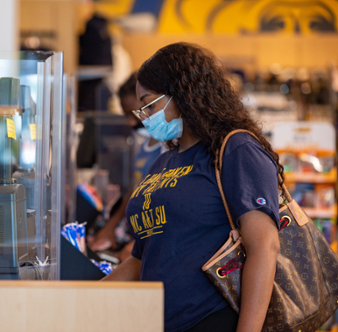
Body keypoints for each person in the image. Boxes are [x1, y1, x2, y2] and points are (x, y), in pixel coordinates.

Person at [103, 43, 282, 332]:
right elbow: (142, 258)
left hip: (212, 319)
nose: (144, 117)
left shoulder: (236, 149)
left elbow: (264, 246)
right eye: (140, 109)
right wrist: (83, 295)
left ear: (182, 95)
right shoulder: (162, 163)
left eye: (149, 104)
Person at [90, 73, 166, 262]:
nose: (132, 122)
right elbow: (136, 190)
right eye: (128, 115)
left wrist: (140, 246)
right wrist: (110, 227)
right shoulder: (143, 144)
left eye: (137, 113)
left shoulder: (168, 146)